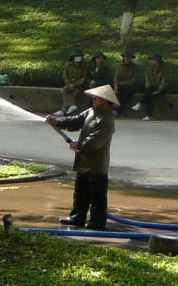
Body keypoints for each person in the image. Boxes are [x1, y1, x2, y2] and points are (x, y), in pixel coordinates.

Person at [46, 84, 118, 231]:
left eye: (97, 98)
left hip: (97, 164)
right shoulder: (91, 112)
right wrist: (58, 121)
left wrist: (79, 145)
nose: (94, 99)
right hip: (84, 161)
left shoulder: (107, 120)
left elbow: (96, 142)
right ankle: (77, 217)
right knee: (81, 191)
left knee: (97, 196)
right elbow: (75, 121)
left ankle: (97, 222)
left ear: (105, 101)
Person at [134, 54, 168, 121]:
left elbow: (164, 82)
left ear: (158, 61)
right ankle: (148, 115)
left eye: (153, 60)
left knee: (151, 90)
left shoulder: (163, 71)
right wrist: (148, 88)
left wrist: (159, 90)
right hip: (150, 89)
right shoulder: (149, 70)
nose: (152, 61)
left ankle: (141, 103)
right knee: (150, 94)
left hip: (160, 89)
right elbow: (147, 81)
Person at [56, 48, 88, 116]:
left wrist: (75, 84)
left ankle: (65, 110)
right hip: (70, 84)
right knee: (64, 90)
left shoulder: (83, 67)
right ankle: (69, 106)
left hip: (79, 86)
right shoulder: (68, 65)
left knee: (74, 94)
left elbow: (83, 78)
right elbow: (65, 75)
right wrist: (69, 83)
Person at [113, 48, 141, 116]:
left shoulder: (135, 67)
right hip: (120, 85)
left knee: (125, 97)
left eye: (129, 57)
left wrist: (123, 83)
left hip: (130, 86)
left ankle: (117, 111)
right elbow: (116, 77)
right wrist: (116, 86)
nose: (127, 58)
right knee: (117, 95)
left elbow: (134, 79)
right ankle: (112, 110)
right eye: (126, 57)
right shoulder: (119, 66)